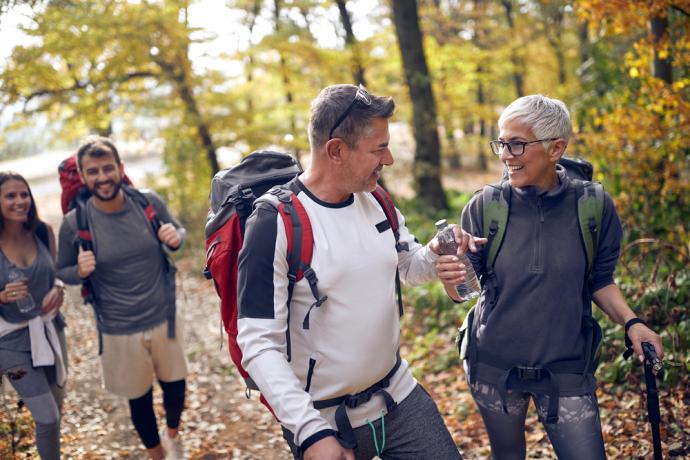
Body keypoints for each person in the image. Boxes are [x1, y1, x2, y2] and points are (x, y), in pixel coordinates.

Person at [237, 84, 484, 460]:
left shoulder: (376, 199)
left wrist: (433, 254)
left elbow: (406, 266)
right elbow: (257, 342)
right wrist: (310, 432)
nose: (389, 159)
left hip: (398, 396)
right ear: (336, 150)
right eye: (379, 148)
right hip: (324, 420)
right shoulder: (276, 222)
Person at [436, 95, 664, 460]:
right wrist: (451, 275)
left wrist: (632, 322)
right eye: (501, 142)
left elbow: (600, 280)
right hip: (494, 367)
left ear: (556, 147)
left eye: (517, 144)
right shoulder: (485, 206)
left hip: (567, 366)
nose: (505, 154)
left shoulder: (594, 206)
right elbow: (466, 289)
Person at [55, 137, 187, 460]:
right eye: (93, 171)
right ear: (83, 177)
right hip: (117, 327)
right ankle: (158, 455)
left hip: (164, 315)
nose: (102, 177)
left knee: (176, 389)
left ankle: (173, 433)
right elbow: (63, 270)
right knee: (138, 400)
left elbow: (178, 234)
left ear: (120, 169)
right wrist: (80, 271)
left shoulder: (148, 202)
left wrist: (176, 238)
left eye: (108, 168)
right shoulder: (75, 223)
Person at [0, 172, 67, 460]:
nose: (19, 201)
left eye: (23, 194)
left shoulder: (43, 232)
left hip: (50, 330)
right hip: (10, 341)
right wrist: (1, 296)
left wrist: (60, 288)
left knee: (55, 413)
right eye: (10, 196)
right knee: (48, 417)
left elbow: (58, 274)